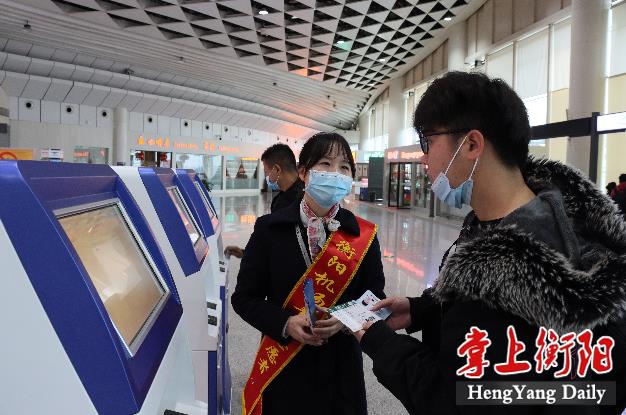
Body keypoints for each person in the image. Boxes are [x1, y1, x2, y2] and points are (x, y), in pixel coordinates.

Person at [355, 71, 626, 414]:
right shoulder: (565, 223)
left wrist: (381, 344)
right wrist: (422, 309)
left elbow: (453, 401)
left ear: (471, 145)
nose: (424, 158)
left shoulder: (504, 270)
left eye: (428, 142)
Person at [232, 132, 385, 415]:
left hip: (341, 372)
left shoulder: (362, 235)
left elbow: (375, 297)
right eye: (325, 164)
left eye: (344, 167)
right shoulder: (269, 229)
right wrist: (286, 323)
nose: (335, 173)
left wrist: (344, 319)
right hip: (286, 368)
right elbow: (244, 298)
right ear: (304, 172)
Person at [224, 144, 304, 259]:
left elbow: (281, 248)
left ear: (277, 169)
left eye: (266, 172)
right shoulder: (288, 194)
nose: (266, 177)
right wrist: (245, 253)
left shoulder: (293, 202)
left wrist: (249, 255)